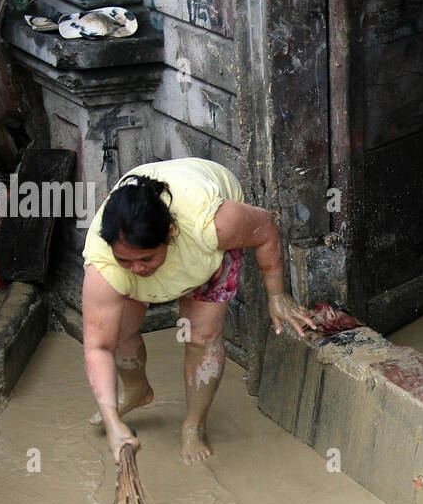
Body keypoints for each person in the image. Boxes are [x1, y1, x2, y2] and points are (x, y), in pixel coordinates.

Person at [81, 157, 317, 465]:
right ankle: (137, 390)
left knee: (201, 336)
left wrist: (277, 294)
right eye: (126, 261)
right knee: (120, 330)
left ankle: (194, 425)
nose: (137, 269)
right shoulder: (105, 262)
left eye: (147, 259)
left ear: (169, 234)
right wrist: (113, 423)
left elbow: (266, 228)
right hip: (166, 243)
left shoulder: (214, 224)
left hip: (203, 250)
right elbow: (98, 345)